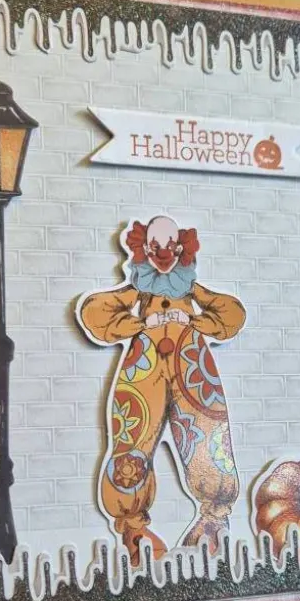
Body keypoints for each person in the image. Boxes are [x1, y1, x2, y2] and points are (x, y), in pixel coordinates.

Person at [78, 215, 246, 565]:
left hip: (192, 366)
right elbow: (96, 312)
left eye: (171, 247)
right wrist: (142, 322)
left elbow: (231, 315)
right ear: (145, 248)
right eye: (156, 247)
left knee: (206, 431)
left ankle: (214, 521)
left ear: (181, 248)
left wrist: (194, 320)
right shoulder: (138, 289)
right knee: (133, 434)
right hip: (145, 367)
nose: (164, 254)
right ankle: (132, 527)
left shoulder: (192, 289)